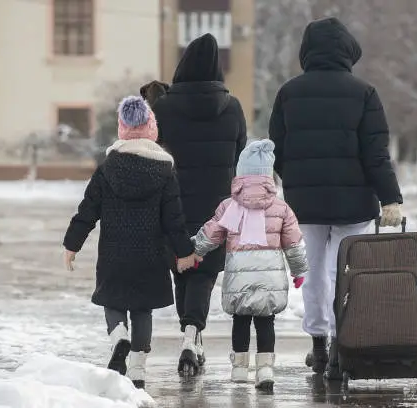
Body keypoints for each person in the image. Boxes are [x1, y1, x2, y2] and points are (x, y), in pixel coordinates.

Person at [268, 17, 404, 379]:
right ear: (348, 51)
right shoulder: (364, 92)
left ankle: (318, 344)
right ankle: (341, 350)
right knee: (346, 273)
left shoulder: (288, 92)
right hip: (354, 203)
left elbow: (276, 148)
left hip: (304, 204)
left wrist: (293, 178)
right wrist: (390, 198)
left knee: (311, 273)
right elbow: (376, 155)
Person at [62, 95, 201, 389]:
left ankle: (118, 337)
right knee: (142, 309)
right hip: (151, 254)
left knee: (112, 300)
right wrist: (184, 252)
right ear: (152, 130)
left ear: (122, 130)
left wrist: (72, 244)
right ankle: (137, 369)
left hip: (114, 251)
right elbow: (174, 219)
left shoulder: (107, 168)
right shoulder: (165, 171)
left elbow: (88, 210)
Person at [152, 33, 248, 375]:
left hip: (172, 199)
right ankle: (193, 333)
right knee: (204, 272)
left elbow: (152, 148)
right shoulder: (232, 107)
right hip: (217, 204)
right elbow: (240, 155)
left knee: (183, 265)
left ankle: (190, 334)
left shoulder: (163, 106)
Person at [192, 140, 309, 390]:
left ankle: (239, 369)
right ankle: (265, 369)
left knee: (241, 320)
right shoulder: (281, 208)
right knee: (266, 322)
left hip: (239, 279)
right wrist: (299, 271)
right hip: (270, 280)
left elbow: (212, 233)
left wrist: (193, 252)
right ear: (268, 176)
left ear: (240, 175)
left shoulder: (229, 207)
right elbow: (294, 244)